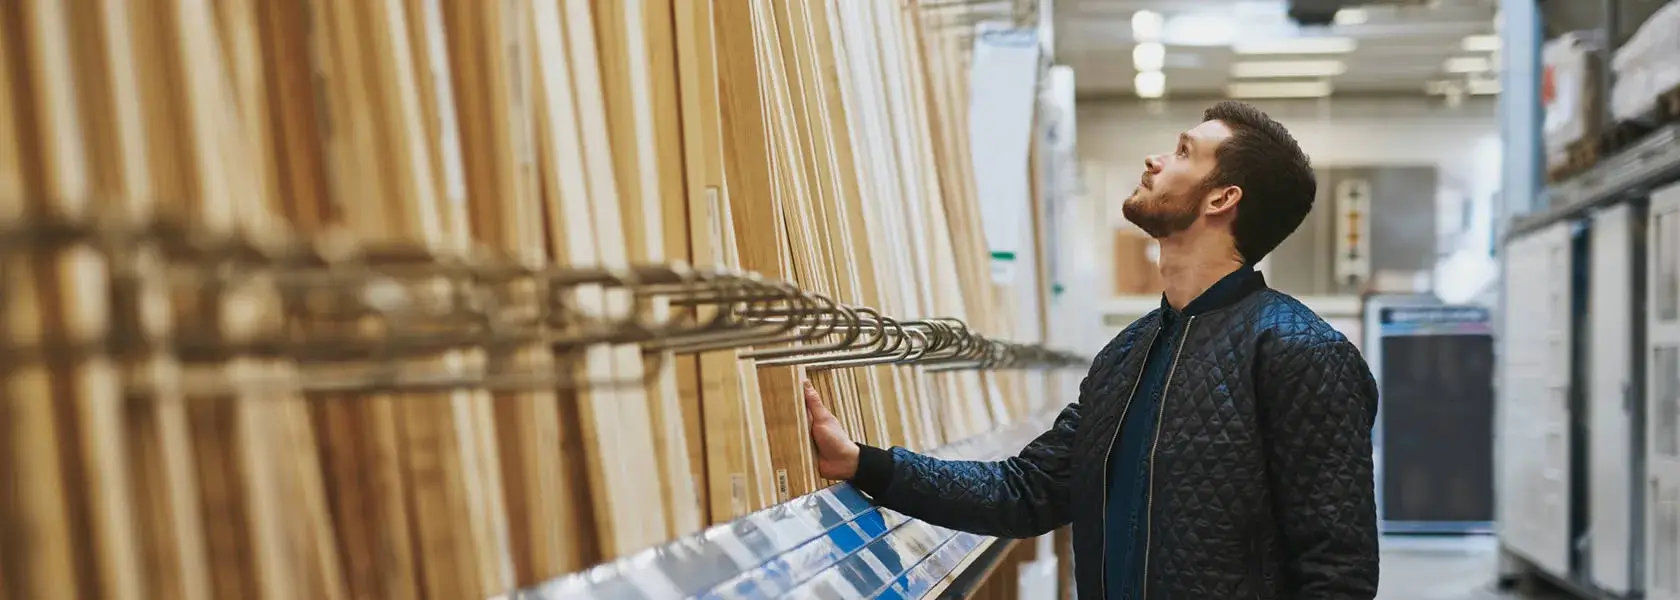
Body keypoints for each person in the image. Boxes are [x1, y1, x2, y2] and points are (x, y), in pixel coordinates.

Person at [802, 100, 1380, 599]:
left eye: (1182, 152)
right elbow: (1025, 493)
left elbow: (1338, 571)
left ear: (1222, 198)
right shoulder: (1127, 356)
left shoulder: (1298, 351)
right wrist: (863, 463)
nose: (1155, 160)